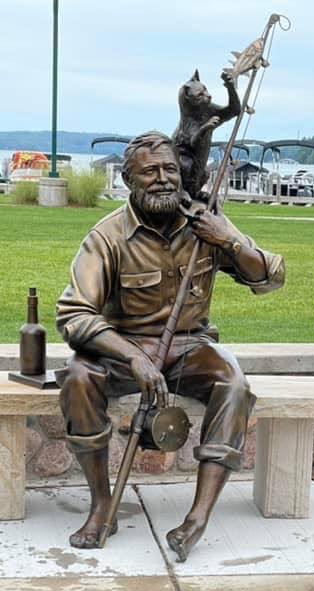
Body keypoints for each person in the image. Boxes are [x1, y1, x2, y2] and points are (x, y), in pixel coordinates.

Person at [56, 131, 285, 561]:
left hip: (191, 348)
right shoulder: (106, 238)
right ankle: (102, 503)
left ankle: (198, 517)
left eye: (170, 170)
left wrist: (229, 239)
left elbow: (270, 277)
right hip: (123, 349)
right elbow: (73, 315)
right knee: (78, 376)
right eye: (150, 172)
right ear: (129, 181)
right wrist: (132, 357)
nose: (162, 179)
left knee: (234, 383)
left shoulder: (206, 226)